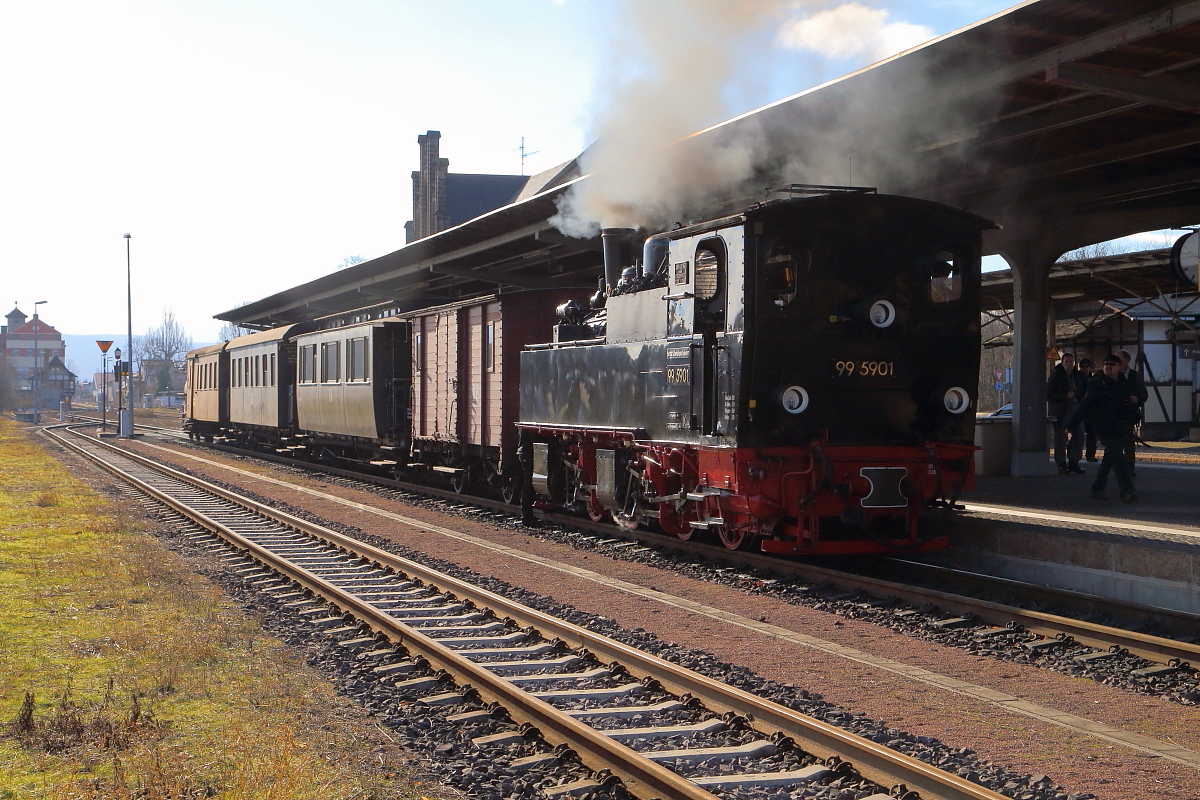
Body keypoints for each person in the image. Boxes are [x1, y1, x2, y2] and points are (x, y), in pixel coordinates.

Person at [1067, 354, 1139, 502]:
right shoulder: (1098, 383)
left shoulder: (1122, 383)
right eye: (1105, 364)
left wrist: (1134, 412)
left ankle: (1097, 488)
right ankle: (1127, 491)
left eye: (1112, 364)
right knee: (1118, 458)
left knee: (1109, 459)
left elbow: (1128, 403)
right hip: (1104, 427)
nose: (1108, 367)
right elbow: (1085, 405)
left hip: (1120, 427)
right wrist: (1071, 424)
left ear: (1119, 367)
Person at [1046, 352, 1086, 474]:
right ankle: (1061, 464)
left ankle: (1074, 462)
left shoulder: (1077, 376)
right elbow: (1049, 395)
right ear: (1062, 363)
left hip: (1075, 408)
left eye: (1071, 362)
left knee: (1079, 434)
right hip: (1060, 410)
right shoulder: (1055, 376)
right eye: (1067, 362)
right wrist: (1065, 396)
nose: (1069, 364)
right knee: (1060, 438)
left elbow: (1083, 389)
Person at [1116, 349, 1148, 473]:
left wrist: (1136, 398)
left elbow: (1144, 394)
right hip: (1115, 414)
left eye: (1119, 359)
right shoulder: (1114, 375)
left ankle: (1129, 468)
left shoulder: (1134, 376)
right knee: (1115, 443)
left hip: (1129, 414)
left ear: (1126, 360)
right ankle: (1118, 467)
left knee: (1128, 443)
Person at [1077, 357, 1098, 461]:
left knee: (1091, 434)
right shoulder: (1077, 379)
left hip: (1090, 410)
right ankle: (1074, 454)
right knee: (1078, 433)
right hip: (1079, 408)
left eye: (1087, 367)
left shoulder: (1092, 379)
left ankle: (1090, 455)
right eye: (1082, 367)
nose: (1084, 369)